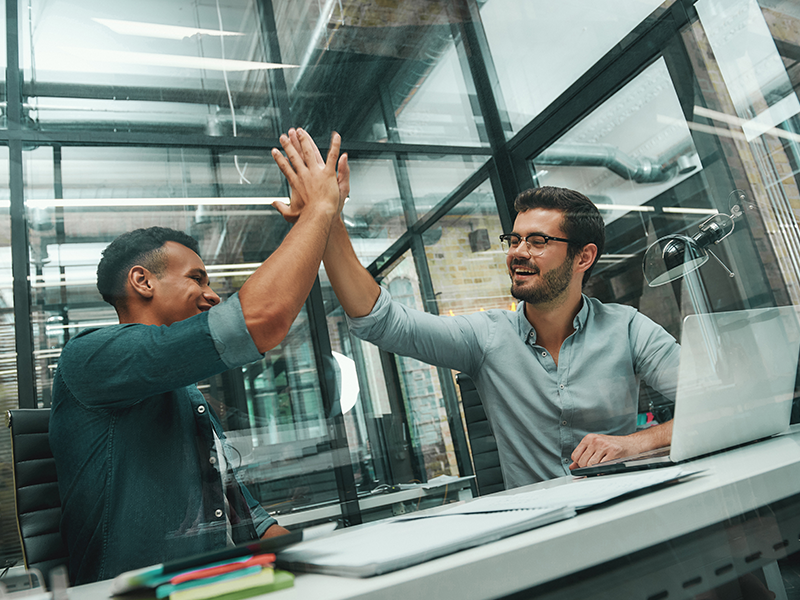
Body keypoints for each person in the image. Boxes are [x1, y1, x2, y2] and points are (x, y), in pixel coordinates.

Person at [271, 129, 680, 489]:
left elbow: (713, 401)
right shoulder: (486, 338)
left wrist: (634, 442)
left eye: (537, 242)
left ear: (583, 257)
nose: (517, 253)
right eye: (514, 240)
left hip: (624, 513)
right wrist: (326, 219)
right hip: (538, 536)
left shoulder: (628, 329)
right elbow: (381, 320)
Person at [49, 129, 346, 584]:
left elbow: (235, 502)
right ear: (143, 282)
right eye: (197, 278)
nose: (211, 294)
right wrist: (321, 210)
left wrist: (321, 566)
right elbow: (261, 319)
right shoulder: (89, 357)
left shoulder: (183, 388)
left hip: (216, 581)